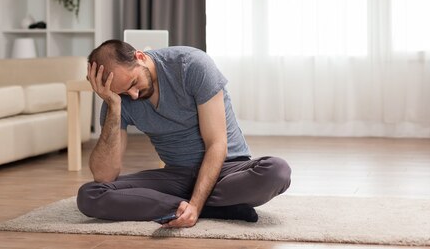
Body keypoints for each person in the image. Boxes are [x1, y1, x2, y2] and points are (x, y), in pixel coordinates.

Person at [76, 40, 291, 227]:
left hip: (225, 170)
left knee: (277, 171)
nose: (132, 95)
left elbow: (217, 143)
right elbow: (104, 175)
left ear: (139, 57)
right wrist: (113, 105)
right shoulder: (118, 99)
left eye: (133, 83)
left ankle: (187, 206)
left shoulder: (191, 65)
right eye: (122, 93)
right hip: (176, 176)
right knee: (90, 195)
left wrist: (196, 204)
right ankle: (215, 209)